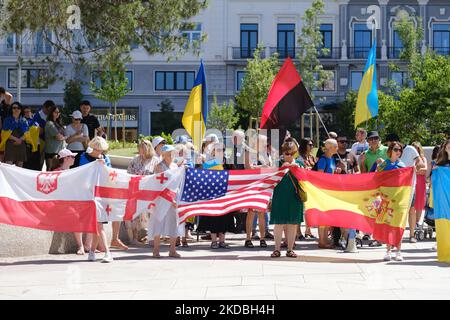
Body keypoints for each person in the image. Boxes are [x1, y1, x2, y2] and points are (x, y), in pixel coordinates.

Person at [80, 137, 114, 262]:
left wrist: (104, 166)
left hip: (102, 195)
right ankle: (97, 252)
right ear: (93, 148)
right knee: (97, 226)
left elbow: (110, 176)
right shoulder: (83, 157)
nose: (100, 153)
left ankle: (104, 252)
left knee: (98, 225)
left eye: (102, 150)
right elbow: (82, 174)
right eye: (98, 150)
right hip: (88, 195)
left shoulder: (105, 158)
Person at [196, 142, 235, 249]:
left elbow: (234, 175)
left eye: (222, 149)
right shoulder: (209, 163)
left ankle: (222, 241)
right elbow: (200, 172)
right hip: (213, 194)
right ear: (213, 151)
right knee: (213, 218)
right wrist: (199, 163)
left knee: (225, 218)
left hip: (225, 194)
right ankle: (214, 241)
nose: (220, 151)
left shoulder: (228, 163)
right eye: (217, 149)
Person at [270, 139, 304, 258]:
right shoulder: (277, 163)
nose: (288, 156)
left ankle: (290, 249)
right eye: (286, 153)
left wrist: (296, 169)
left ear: (295, 153)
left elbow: (305, 179)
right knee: (278, 224)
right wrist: (281, 169)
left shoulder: (300, 164)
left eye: (291, 153)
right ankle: (277, 249)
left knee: (293, 224)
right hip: (279, 197)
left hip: (294, 198)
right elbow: (270, 178)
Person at [149, 144, 182, 258]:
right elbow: (159, 185)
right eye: (169, 153)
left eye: (172, 153)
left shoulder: (174, 166)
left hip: (173, 197)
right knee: (158, 222)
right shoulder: (159, 167)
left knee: (173, 223)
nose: (171, 155)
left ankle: (172, 250)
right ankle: (156, 250)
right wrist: (169, 198)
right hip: (161, 199)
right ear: (163, 155)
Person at [52, 148, 86, 255]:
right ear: (66, 159)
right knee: (76, 216)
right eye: (72, 156)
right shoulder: (56, 172)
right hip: (61, 204)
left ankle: (89, 246)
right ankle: (81, 246)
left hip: (72, 202)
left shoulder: (73, 172)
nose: (74, 158)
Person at [126, 140, 160, 246]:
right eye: (139, 148)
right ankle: (134, 238)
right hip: (136, 191)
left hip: (150, 192)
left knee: (151, 215)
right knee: (135, 215)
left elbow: (159, 175)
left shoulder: (155, 161)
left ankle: (151, 237)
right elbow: (128, 173)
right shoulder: (135, 160)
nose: (141, 150)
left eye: (143, 148)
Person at [377, 142, 406, 261]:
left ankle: (398, 251)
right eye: (396, 149)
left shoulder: (403, 165)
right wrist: (378, 165)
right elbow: (377, 175)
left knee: (398, 226)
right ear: (390, 150)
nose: (398, 151)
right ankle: (388, 250)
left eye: (400, 150)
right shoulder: (385, 163)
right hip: (386, 199)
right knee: (388, 225)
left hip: (399, 200)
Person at [243, 133, 271, 248]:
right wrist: (262, 167)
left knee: (262, 213)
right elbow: (248, 167)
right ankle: (248, 238)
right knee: (251, 213)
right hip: (252, 186)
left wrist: (262, 167)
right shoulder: (249, 152)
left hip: (263, 186)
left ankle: (262, 238)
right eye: (263, 143)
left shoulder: (266, 154)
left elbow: (270, 167)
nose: (265, 145)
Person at [334, 135, 360, 252]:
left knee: (348, 215)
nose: (344, 144)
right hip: (336, 190)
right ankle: (341, 237)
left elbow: (358, 172)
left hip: (350, 190)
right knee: (339, 215)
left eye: (346, 141)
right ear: (337, 143)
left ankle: (348, 239)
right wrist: (336, 171)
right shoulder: (333, 156)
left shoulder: (351, 156)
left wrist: (347, 171)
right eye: (341, 142)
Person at [316, 138, 342, 249]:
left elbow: (329, 175)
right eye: (335, 146)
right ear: (330, 148)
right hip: (323, 191)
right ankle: (322, 241)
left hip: (329, 191)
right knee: (323, 217)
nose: (337, 148)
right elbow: (319, 176)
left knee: (326, 217)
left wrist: (336, 173)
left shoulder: (331, 159)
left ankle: (324, 240)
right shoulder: (323, 160)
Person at [0, 102, 29, 167]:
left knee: (20, 167)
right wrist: (16, 139)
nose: (16, 109)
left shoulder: (24, 120)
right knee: (8, 166)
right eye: (14, 108)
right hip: (10, 144)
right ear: (11, 109)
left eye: (18, 108)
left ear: (21, 110)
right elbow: (4, 133)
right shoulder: (7, 120)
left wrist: (20, 140)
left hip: (21, 145)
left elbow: (27, 133)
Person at [32, 100, 54, 170]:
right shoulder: (37, 116)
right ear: (44, 107)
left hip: (50, 142)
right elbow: (38, 131)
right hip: (40, 141)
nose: (50, 111)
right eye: (49, 109)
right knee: (40, 161)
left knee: (50, 163)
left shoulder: (52, 115)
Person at [44, 105, 66, 171]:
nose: (57, 114)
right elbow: (58, 137)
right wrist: (67, 137)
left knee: (58, 171)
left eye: (58, 112)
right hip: (51, 152)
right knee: (51, 171)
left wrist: (63, 136)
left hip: (59, 151)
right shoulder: (49, 123)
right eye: (55, 112)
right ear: (51, 113)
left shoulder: (57, 123)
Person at [411, 142, 428, 227]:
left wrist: (415, 171)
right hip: (412, 181)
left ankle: (417, 221)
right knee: (412, 202)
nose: (415, 150)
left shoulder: (422, 158)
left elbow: (425, 169)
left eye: (417, 148)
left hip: (421, 181)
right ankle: (412, 221)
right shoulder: (410, 158)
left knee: (420, 201)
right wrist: (418, 171)